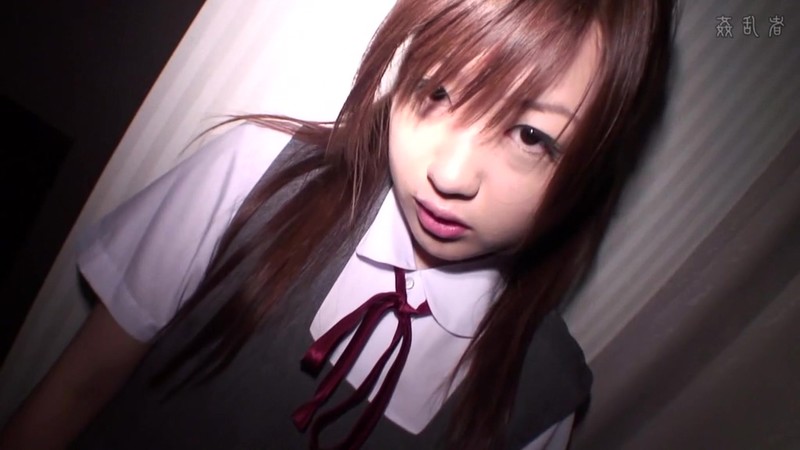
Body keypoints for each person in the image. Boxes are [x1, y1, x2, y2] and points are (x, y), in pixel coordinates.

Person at [0, 0, 673, 448]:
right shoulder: (256, 178)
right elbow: (78, 386)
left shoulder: (542, 395)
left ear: (591, 164)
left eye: (529, 135)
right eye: (438, 90)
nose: (450, 174)